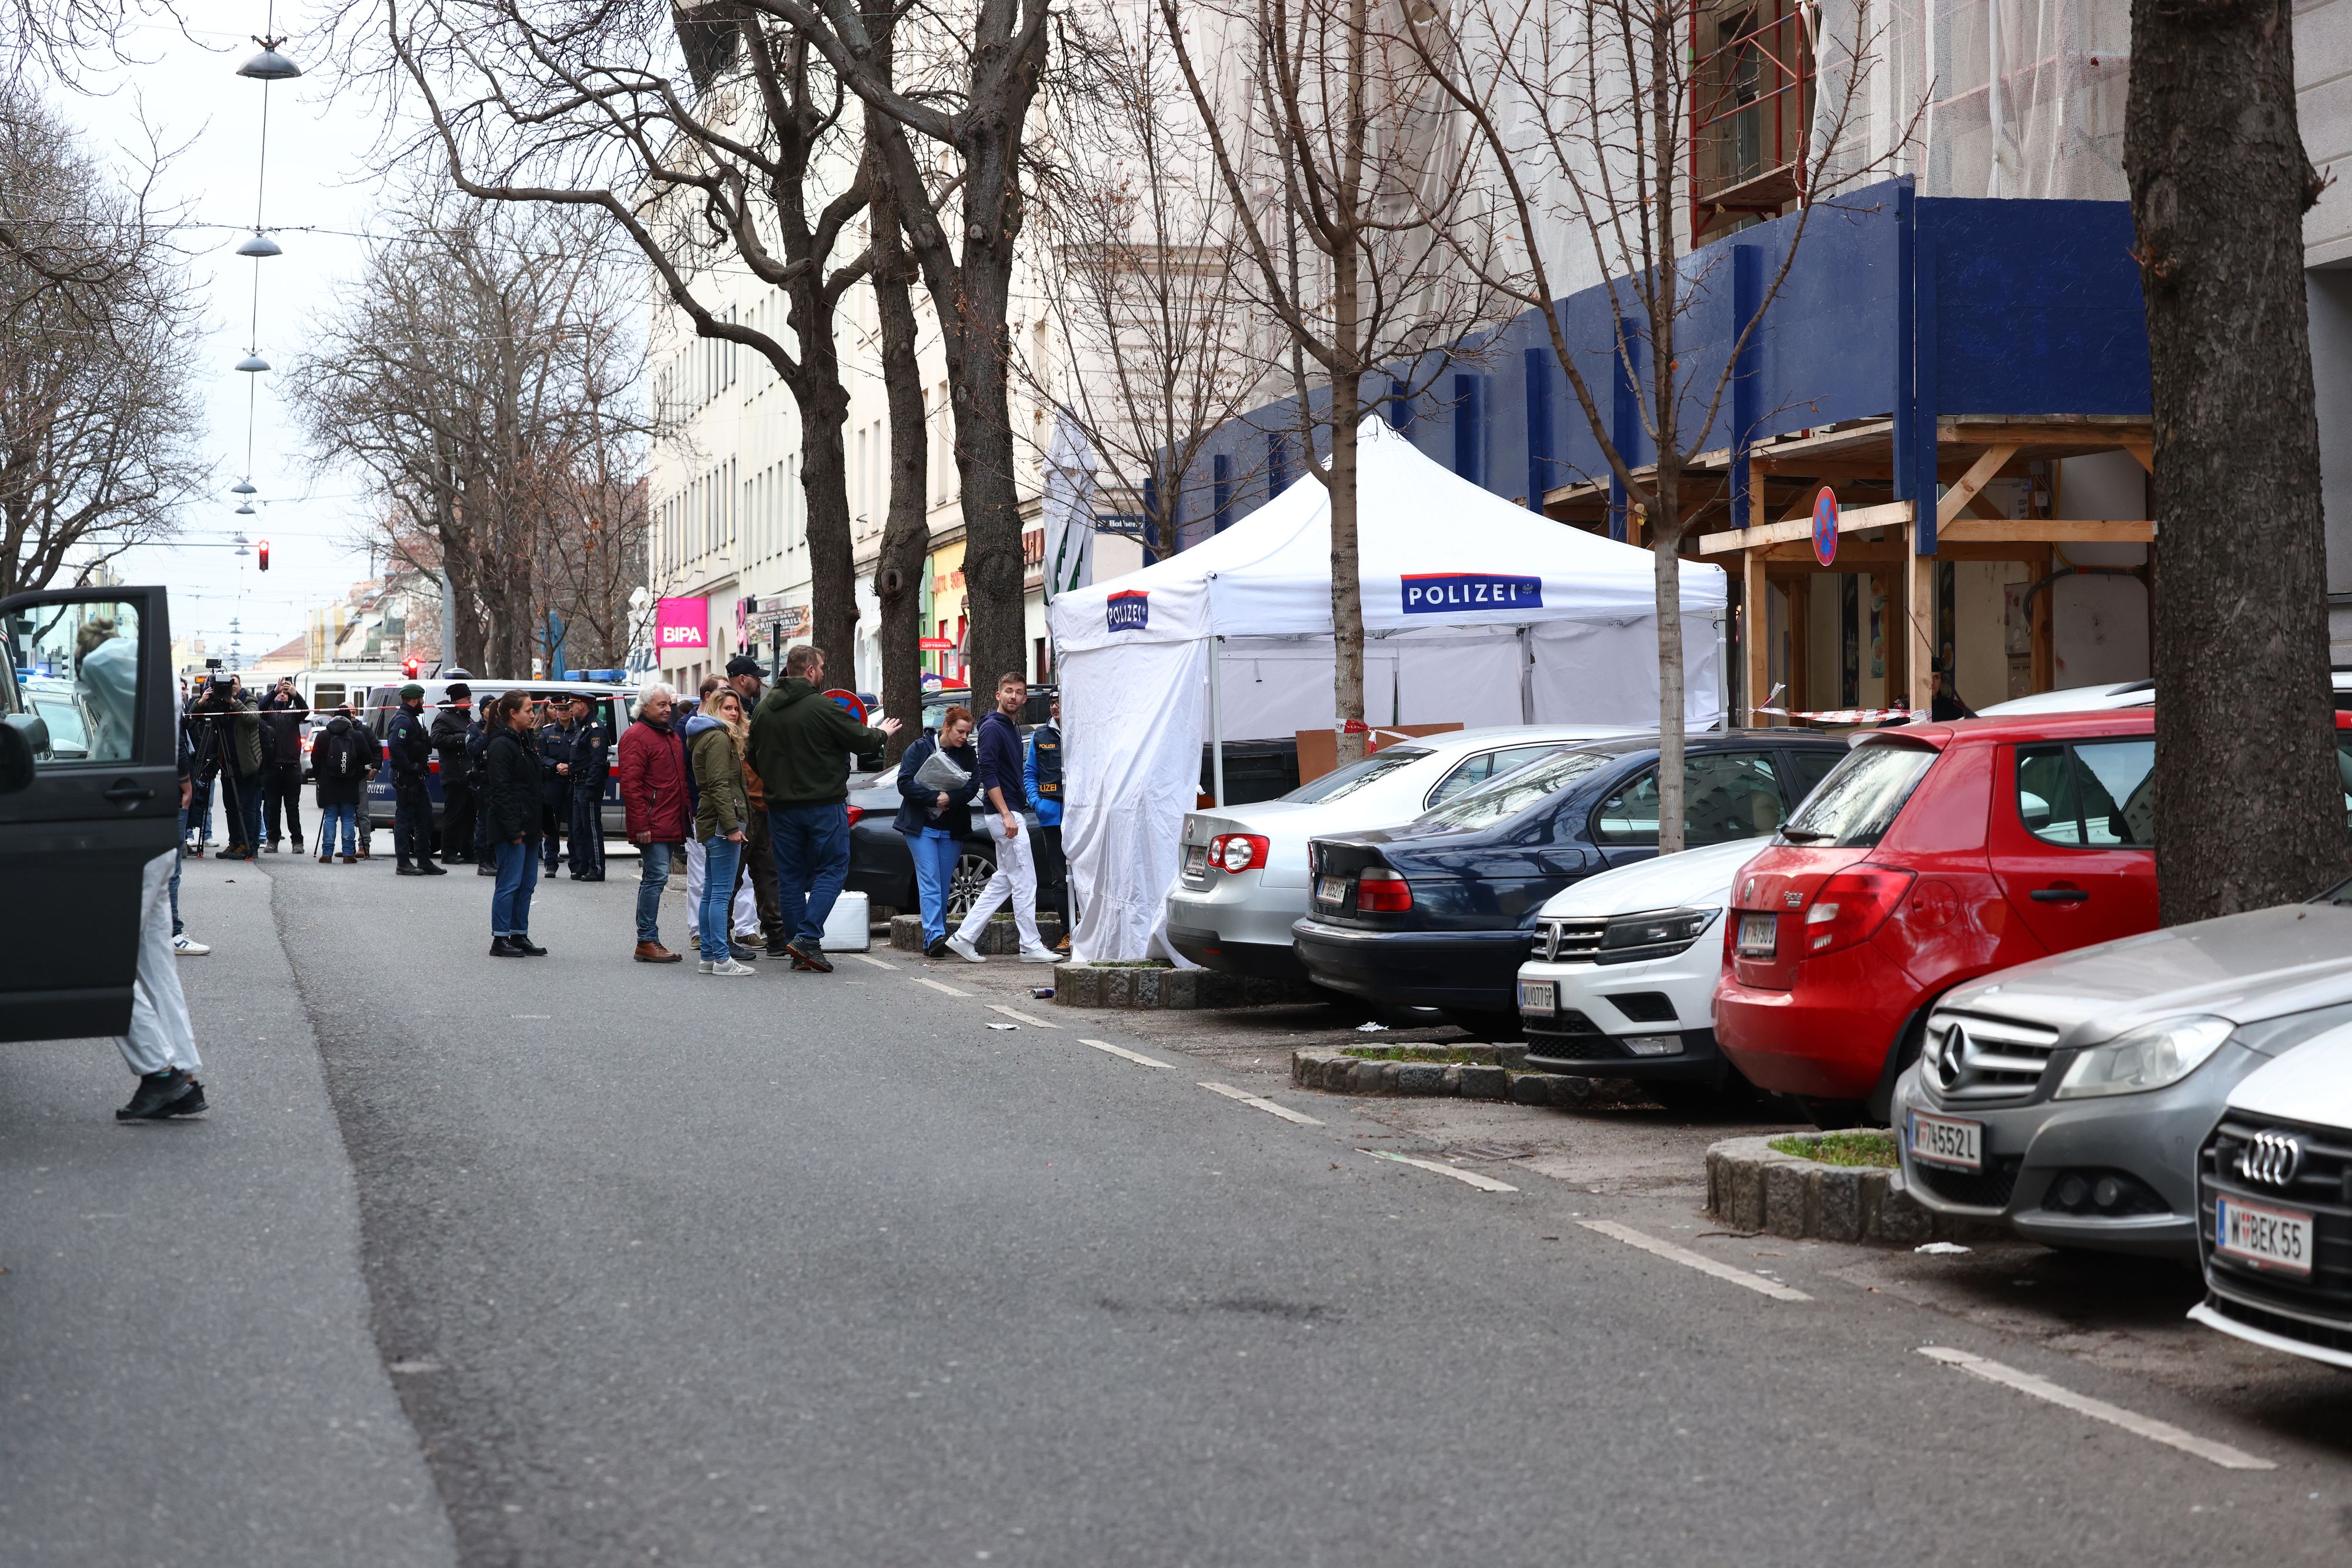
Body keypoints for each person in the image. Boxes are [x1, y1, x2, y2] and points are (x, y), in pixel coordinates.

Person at [747, 644, 899, 972]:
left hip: (780, 808)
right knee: (833, 869)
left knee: (789, 876)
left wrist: (779, 784)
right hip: (822, 804)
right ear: (811, 671)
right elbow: (862, 740)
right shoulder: (821, 706)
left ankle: (798, 944)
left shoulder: (763, 709)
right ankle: (807, 937)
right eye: (822, 666)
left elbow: (753, 758)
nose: (824, 671)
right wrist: (882, 732)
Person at [944, 673, 1055, 965]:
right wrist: (1006, 814)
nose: (1013, 697)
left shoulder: (1010, 726)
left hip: (1007, 813)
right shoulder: (994, 728)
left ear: (1025, 699)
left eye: (1019, 692)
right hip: (1005, 815)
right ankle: (1030, 945)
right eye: (1009, 691)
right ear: (998, 695)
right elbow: (988, 774)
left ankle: (963, 937)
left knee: (1004, 881)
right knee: (1026, 881)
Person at [683, 676, 762, 959]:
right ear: (715, 710)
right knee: (720, 893)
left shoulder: (711, 735)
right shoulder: (717, 738)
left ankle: (708, 954)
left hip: (715, 819)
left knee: (711, 891)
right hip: (721, 822)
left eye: (736, 709)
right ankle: (720, 956)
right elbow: (719, 785)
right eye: (727, 708)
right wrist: (731, 826)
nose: (734, 713)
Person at [895, 705, 980, 958]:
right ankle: (934, 935)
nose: (964, 737)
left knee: (943, 884)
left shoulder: (968, 754)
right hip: (921, 826)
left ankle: (935, 938)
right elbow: (904, 782)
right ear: (947, 727)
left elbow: (973, 785)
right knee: (930, 880)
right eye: (960, 732)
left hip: (951, 828)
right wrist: (934, 798)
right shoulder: (920, 748)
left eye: (967, 733)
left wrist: (949, 798)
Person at [618, 681, 689, 962]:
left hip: (671, 820)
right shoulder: (636, 736)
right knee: (656, 878)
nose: (667, 709)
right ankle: (646, 939)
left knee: (657, 878)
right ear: (644, 705)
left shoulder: (669, 735)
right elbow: (631, 786)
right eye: (661, 705)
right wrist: (641, 825)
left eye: (669, 704)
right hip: (653, 822)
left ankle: (648, 940)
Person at [726, 655, 787, 951]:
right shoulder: (731, 716)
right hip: (744, 807)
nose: (760, 682)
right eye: (755, 677)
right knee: (735, 875)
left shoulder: (750, 711)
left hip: (760, 805)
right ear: (742, 679)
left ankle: (775, 935)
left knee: (766, 872)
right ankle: (723, 938)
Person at [483, 690, 547, 957]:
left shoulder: (524, 740)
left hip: (529, 825)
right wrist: (513, 829)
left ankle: (519, 934)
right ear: (513, 714)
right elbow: (501, 790)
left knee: (527, 883)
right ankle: (501, 938)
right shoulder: (501, 744)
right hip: (512, 827)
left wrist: (539, 823)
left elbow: (532, 786)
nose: (533, 714)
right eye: (528, 710)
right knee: (509, 883)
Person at [386, 683, 447, 875]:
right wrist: (409, 767)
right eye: (420, 699)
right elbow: (396, 746)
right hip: (406, 778)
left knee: (425, 819)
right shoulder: (403, 721)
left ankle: (424, 860)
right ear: (413, 700)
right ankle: (403, 863)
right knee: (404, 821)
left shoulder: (412, 718)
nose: (422, 702)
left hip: (416, 778)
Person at [1025, 693, 1069, 952]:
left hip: (1082, 818)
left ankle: (1088, 929)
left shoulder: (1084, 732)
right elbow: (1030, 772)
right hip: (1052, 817)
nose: (1055, 706)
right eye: (1052, 702)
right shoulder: (1040, 736)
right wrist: (1037, 803)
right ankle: (1067, 932)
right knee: (1060, 878)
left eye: (1060, 701)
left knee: (1085, 876)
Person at [312, 704, 375, 862]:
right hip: (350, 783)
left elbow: (315, 759)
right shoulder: (357, 735)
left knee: (330, 817)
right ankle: (348, 854)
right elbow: (367, 759)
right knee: (347, 818)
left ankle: (327, 854)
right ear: (350, 718)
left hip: (329, 783)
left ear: (333, 717)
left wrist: (320, 777)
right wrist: (358, 772)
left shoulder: (323, 736)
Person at [259, 676, 309, 854]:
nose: (282, 695)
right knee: (272, 807)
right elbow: (260, 708)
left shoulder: (294, 714)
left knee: (292, 807)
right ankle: (272, 840)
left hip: (292, 767)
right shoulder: (268, 713)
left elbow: (306, 711)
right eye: (280, 692)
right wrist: (274, 691)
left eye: (285, 693)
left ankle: (297, 841)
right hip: (272, 768)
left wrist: (295, 694)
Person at [432, 678, 477, 865]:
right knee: (453, 815)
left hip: (469, 774)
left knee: (469, 815)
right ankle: (448, 852)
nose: (470, 702)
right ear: (457, 701)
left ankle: (467, 850)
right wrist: (463, 738)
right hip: (455, 775)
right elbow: (436, 739)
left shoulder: (466, 717)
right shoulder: (444, 717)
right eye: (466, 698)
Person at [566, 694, 610, 881]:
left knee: (591, 828)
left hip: (588, 785)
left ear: (582, 706)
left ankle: (597, 868)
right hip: (578, 784)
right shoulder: (583, 728)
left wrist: (591, 787)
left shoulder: (596, 729)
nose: (570, 709)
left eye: (572, 705)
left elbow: (597, 762)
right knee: (579, 828)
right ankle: (584, 865)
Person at [538, 694, 578, 875]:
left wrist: (570, 767)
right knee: (552, 825)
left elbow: (583, 756)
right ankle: (551, 864)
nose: (562, 712)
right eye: (558, 709)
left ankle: (576, 864)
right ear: (554, 710)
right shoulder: (546, 732)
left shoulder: (579, 731)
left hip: (572, 782)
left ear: (571, 711)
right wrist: (556, 765)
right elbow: (541, 757)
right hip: (553, 782)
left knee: (575, 824)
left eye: (565, 709)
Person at [466, 698, 497, 874]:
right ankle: (483, 861)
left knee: (497, 822)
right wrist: (487, 733)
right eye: (489, 707)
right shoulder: (475, 728)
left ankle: (494, 858)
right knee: (484, 822)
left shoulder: (501, 727)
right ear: (483, 710)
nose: (492, 710)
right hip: (482, 783)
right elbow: (472, 750)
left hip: (498, 781)